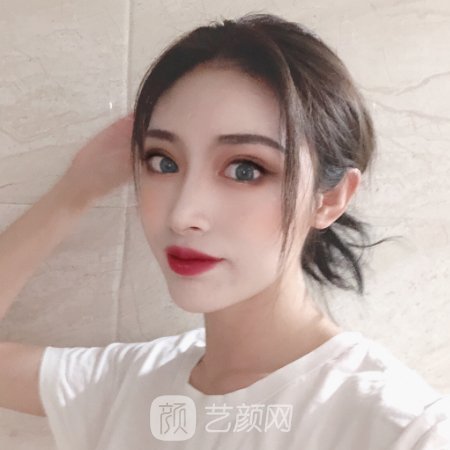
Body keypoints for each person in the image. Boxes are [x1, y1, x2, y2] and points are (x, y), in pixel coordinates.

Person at [0, 12, 449, 450]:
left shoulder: (402, 429)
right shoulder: (125, 387)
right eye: (164, 162)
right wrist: (76, 190)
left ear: (329, 198)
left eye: (245, 169)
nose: (182, 214)